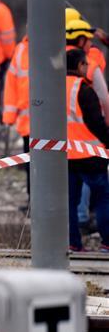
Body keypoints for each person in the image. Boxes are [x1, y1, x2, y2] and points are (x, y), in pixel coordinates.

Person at [64, 48, 109, 252]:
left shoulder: (55, 88)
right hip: (90, 155)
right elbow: (96, 123)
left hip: (65, 154)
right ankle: (107, 242)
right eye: (86, 65)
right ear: (80, 65)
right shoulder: (83, 89)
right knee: (102, 198)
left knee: (70, 202)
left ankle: (74, 243)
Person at [3, 33, 30, 209]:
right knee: (30, 165)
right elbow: (11, 84)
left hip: (56, 125)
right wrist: (9, 116)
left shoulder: (59, 47)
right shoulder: (21, 50)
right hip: (28, 123)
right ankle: (32, 199)